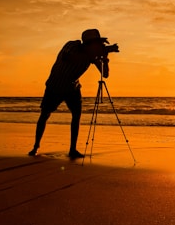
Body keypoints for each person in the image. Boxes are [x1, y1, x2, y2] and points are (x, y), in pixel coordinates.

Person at [28, 29, 118, 159]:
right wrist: (98, 53)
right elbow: (68, 57)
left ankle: (73, 149)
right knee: (45, 114)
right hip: (55, 85)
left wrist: (105, 57)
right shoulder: (72, 45)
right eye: (97, 43)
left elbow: (105, 74)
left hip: (72, 87)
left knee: (76, 116)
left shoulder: (92, 54)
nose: (99, 46)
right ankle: (36, 146)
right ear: (89, 43)